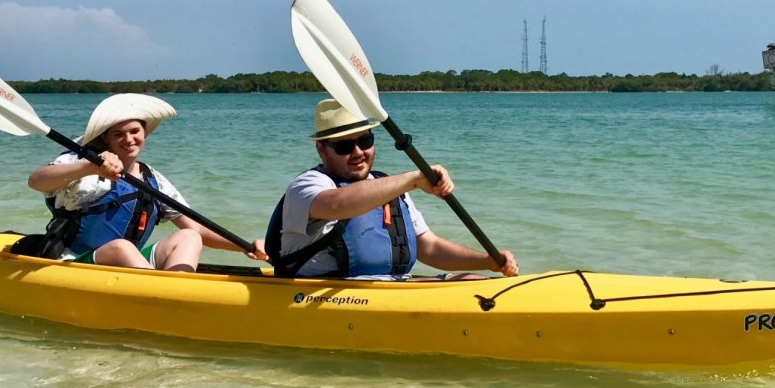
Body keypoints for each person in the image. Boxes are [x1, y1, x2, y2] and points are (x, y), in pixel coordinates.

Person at [265, 99, 518, 280]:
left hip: (392, 288)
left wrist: (487, 261)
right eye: (344, 146)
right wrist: (415, 179)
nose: (358, 153)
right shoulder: (307, 186)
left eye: (365, 141)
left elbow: (427, 246)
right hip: (326, 297)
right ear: (321, 149)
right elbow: (336, 205)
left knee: (474, 282)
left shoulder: (386, 185)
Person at [28, 93, 265, 271]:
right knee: (122, 247)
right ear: (105, 138)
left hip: (131, 264)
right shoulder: (83, 162)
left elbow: (198, 228)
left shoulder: (154, 180)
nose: (128, 140)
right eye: (118, 134)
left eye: (134, 131)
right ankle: (160, 294)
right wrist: (90, 167)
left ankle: (178, 292)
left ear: (144, 133)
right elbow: (37, 181)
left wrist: (246, 247)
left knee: (189, 236)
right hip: (78, 261)